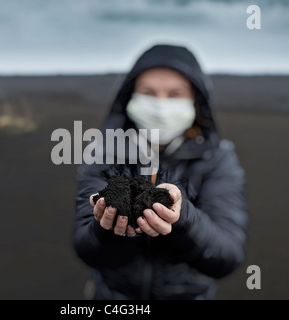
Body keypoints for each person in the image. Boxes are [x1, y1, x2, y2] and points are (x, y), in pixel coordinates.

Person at [73, 44, 248, 300]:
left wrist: (182, 219)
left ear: (196, 102)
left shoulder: (217, 158)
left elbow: (226, 256)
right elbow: (87, 249)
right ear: (129, 96)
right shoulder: (103, 152)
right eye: (148, 92)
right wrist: (108, 229)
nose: (160, 105)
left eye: (175, 93)